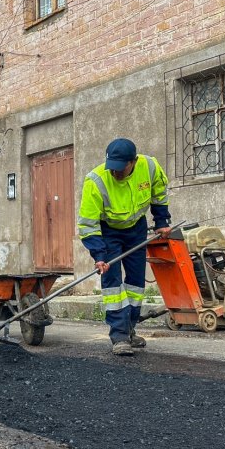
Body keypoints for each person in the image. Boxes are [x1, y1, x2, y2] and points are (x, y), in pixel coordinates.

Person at [78, 138, 171, 356]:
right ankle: (118, 335)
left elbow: (159, 193)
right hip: (109, 232)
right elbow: (88, 223)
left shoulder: (149, 167)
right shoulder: (96, 180)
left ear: (134, 162)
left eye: (120, 169)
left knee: (136, 283)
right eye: (112, 168)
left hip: (136, 229)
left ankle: (130, 329)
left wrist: (161, 221)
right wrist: (99, 254)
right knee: (112, 284)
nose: (115, 173)